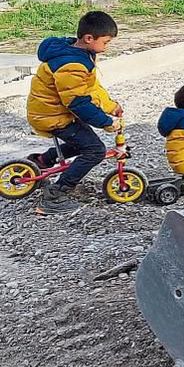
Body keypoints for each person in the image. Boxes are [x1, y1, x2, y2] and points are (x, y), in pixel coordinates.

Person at [27, 11, 122, 216]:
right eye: (105, 42)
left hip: (53, 110)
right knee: (95, 150)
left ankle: (42, 161)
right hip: (52, 115)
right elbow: (77, 102)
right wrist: (105, 122)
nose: (106, 48)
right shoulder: (71, 65)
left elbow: (90, 88)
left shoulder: (78, 53)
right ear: (89, 38)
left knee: (82, 140)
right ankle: (55, 196)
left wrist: (110, 106)